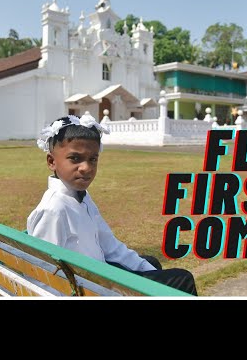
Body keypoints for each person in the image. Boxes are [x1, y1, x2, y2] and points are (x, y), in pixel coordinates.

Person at [27, 113, 198, 296]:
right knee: (183, 278)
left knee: (152, 263)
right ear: (52, 161)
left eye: (93, 159)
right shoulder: (54, 208)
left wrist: (149, 271)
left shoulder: (81, 198)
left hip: (98, 276)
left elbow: (110, 246)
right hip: (91, 290)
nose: (86, 168)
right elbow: (41, 274)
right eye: (75, 159)